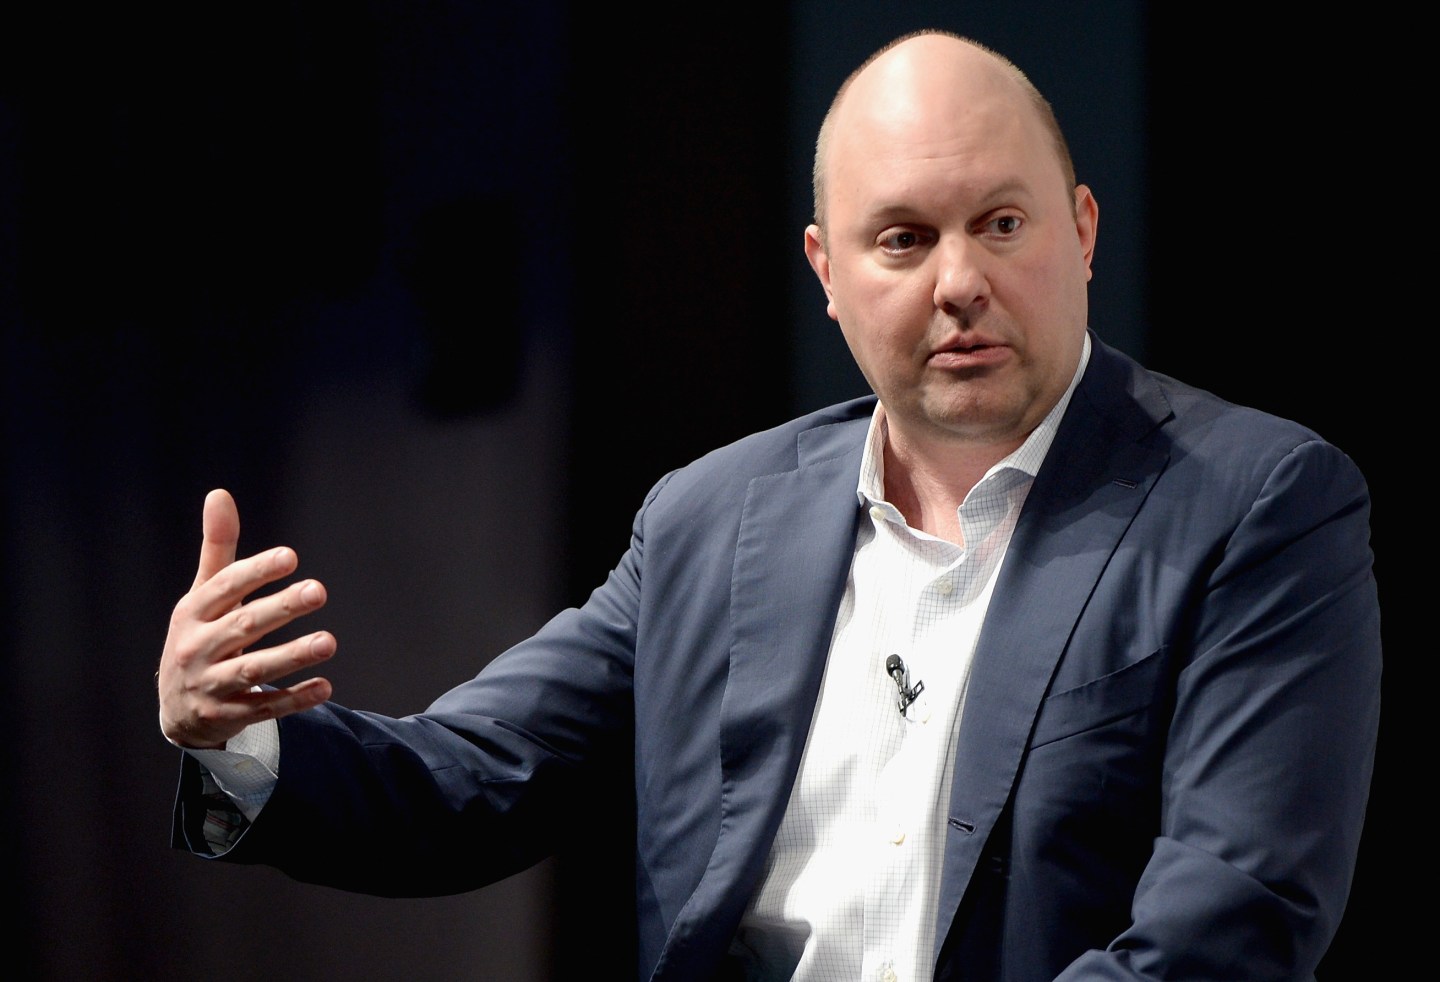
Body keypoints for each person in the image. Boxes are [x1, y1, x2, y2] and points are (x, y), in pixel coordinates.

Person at [158, 29, 1382, 982]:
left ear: (1083, 230)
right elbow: (473, 779)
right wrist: (237, 737)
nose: (961, 280)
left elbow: (1231, 921)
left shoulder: (1256, 503)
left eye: (1003, 224)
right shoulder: (711, 520)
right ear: (827, 273)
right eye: (902, 239)